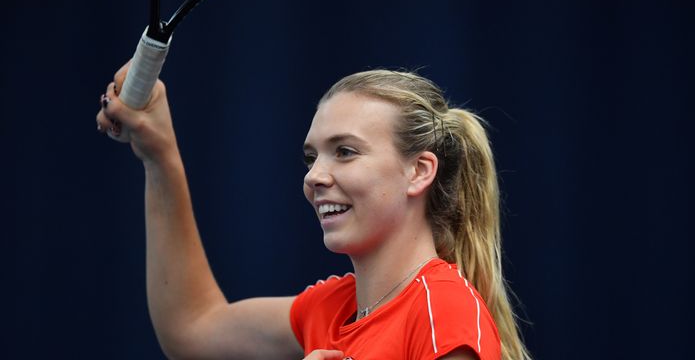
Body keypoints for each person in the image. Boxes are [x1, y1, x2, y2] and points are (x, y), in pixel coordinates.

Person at [96, 63, 531, 360]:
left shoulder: (444, 312)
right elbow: (191, 327)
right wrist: (159, 152)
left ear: (418, 171)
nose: (315, 177)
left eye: (344, 152)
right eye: (311, 157)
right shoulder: (331, 308)